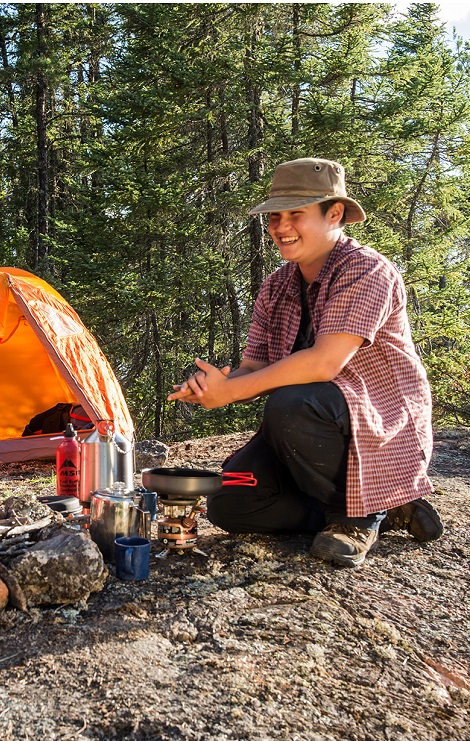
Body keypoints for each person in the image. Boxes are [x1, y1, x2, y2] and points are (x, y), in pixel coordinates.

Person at [168, 157, 442, 568]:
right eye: (275, 216)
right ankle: (387, 508)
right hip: (308, 424)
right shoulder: (277, 286)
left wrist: (234, 391)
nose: (281, 227)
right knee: (229, 504)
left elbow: (324, 364)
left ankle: (356, 518)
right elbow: (253, 369)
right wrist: (214, 387)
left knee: (292, 403)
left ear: (334, 213)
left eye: (296, 214)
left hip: (377, 420)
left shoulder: (366, 269)